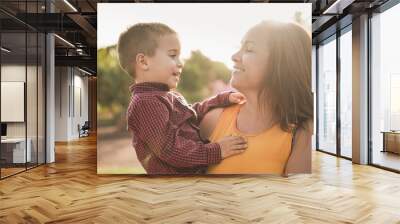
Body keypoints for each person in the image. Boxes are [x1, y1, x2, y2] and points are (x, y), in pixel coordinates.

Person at [117, 22, 248, 174]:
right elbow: (170, 150)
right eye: (173, 55)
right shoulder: (145, 103)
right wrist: (216, 151)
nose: (181, 63)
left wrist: (221, 100)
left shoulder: (168, 96)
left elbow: (192, 113)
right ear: (144, 62)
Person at [199, 21, 313, 175]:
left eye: (249, 49)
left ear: (282, 62)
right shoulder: (212, 120)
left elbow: (296, 194)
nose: (234, 56)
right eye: (239, 47)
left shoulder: (302, 132)